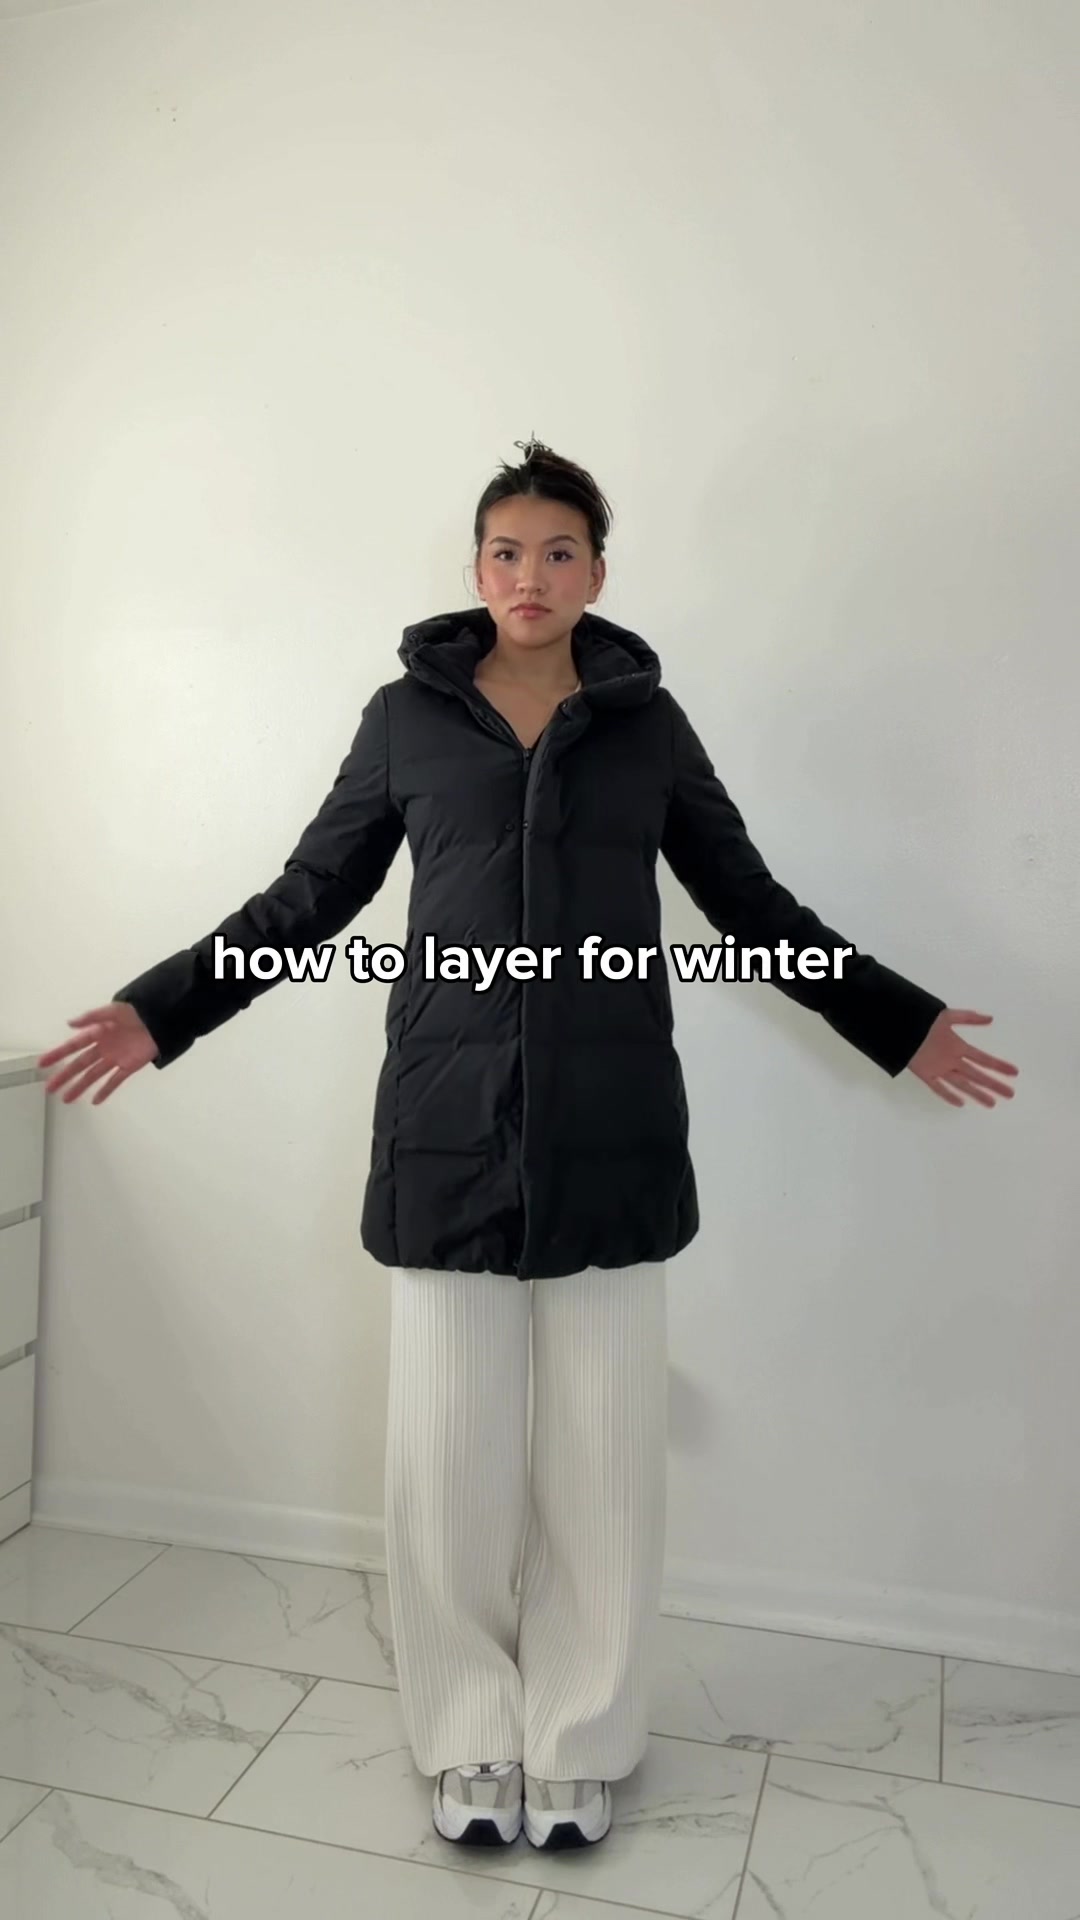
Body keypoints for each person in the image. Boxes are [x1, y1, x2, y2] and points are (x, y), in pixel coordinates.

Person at [37, 438, 1019, 1851]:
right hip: (446, 1127)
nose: (531, 575)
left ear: (598, 573)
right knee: (446, 1463)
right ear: (476, 568)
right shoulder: (405, 720)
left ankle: (580, 1735)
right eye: (507, 551)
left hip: (611, 1127)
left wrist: (898, 1019)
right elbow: (311, 894)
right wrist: (164, 1006)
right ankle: (464, 1734)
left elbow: (749, 904)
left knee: (602, 1466)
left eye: (561, 552)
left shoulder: (649, 726)